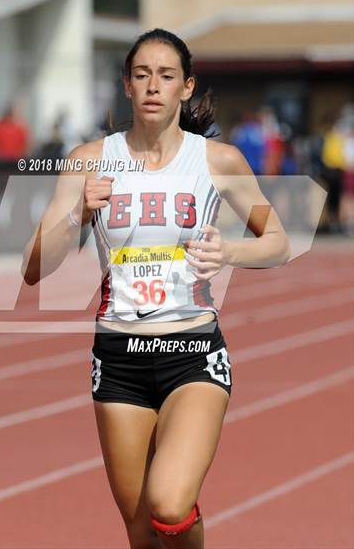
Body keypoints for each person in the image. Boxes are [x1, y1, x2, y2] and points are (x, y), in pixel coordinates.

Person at [22, 29, 290, 549]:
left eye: (166, 76)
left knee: (169, 503)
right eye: (142, 74)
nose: (153, 86)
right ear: (126, 84)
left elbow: (278, 241)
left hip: (191, 351)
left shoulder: (218, 162)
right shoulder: (89, 160)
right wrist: (78, 214)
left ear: (186, 87)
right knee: (142, 530)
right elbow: (35, 268)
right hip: (117, 357)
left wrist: (230, 252)